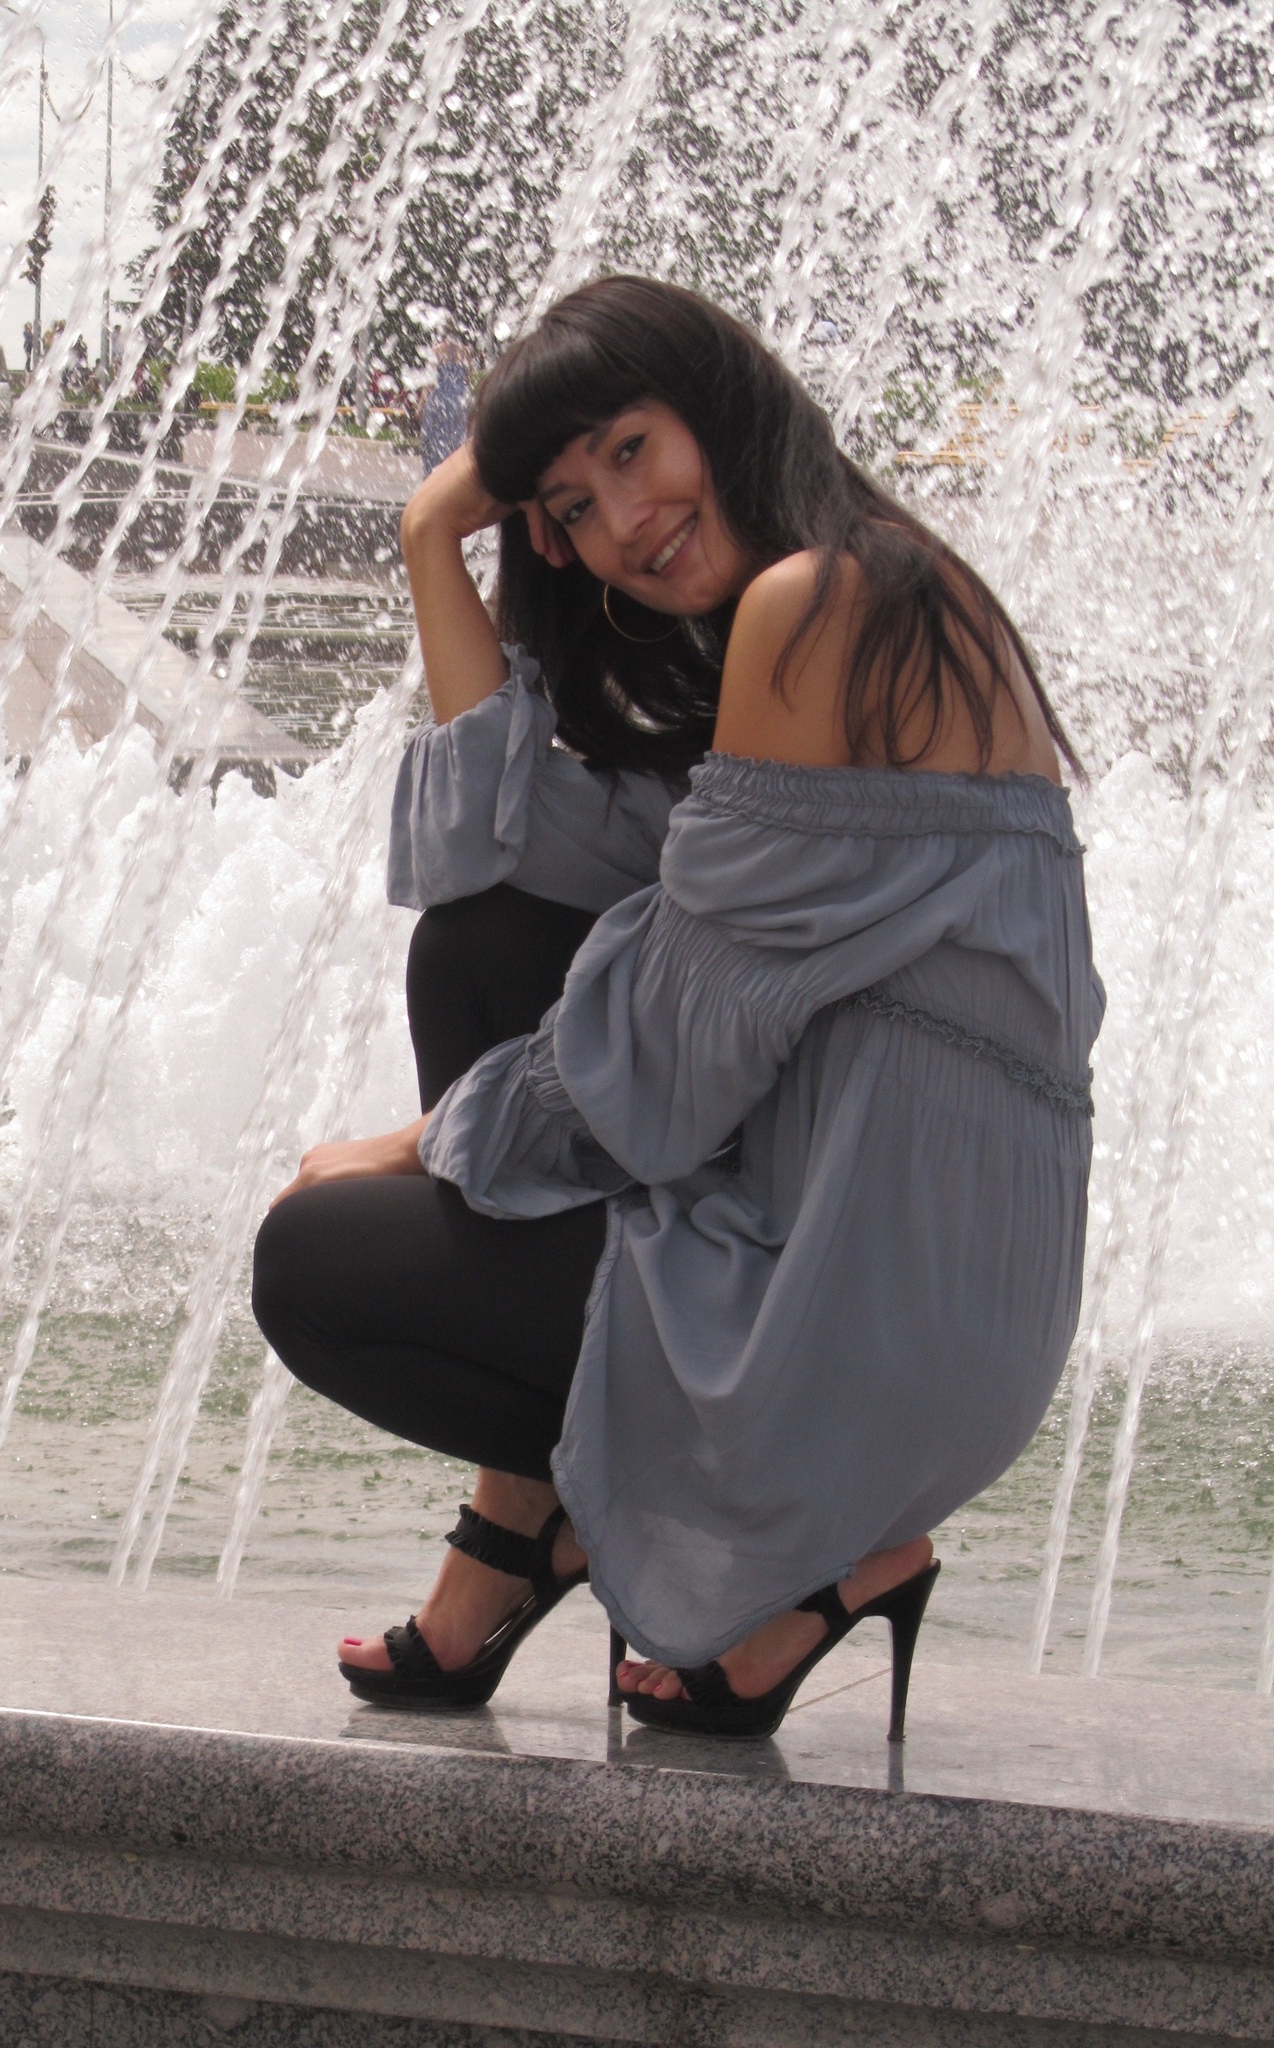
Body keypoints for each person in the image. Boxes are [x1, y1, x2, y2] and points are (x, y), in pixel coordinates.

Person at [252, 275, 1103, 1738]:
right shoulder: (864, 585)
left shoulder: (820, 605)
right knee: (485, 939)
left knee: (313, 1265)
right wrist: (430, 534)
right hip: (918, 1296)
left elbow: (674, 1049)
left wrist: (424, 1139)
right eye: (571, 507)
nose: (623, 523)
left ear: (715, 400)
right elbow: (499, 850)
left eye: (631, 450)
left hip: (860, 1308)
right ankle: (554, 1527)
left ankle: (582, 1529)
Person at [416, 332, 472, 475]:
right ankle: (453, 479)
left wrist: (421, 404)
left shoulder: (436, 350)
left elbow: (429, 381)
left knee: (434, 444)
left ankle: (433, 478)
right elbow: (468, 380)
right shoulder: (465, 352)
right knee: (457, 443)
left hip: (439, 400)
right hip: (460, 401)